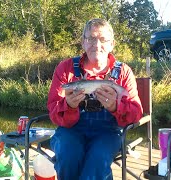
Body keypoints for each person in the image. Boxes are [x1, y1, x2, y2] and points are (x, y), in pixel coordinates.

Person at [47, 18, 143, 179]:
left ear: (112, 44)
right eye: (91, 38)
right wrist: (69, 105)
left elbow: (135, 114)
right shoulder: (66, 68)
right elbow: (54, 112)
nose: (96, 45)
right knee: (68, 153)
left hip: (107, 132)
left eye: (103, 39)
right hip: (71, 130)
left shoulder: (124, 72)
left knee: (98, 159)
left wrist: (115, 107)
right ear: (83, 42)